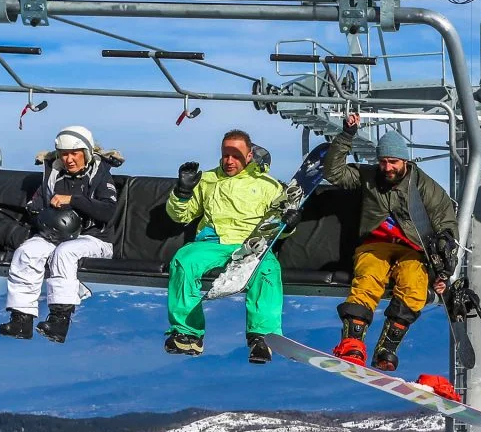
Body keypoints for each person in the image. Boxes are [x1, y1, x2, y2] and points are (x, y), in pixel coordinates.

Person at [323, 113, 458, 371]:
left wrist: (444, 267)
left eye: (393, 162)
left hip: (412, 248)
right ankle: (352, 343)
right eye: (383, 162)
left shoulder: (425, 187)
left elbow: (446, 223)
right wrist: (347, 136)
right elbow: (334, 172)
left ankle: (387, 348)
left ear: (405, 160)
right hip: (376, 243)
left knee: (414, 285)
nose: (387, 168)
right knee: (368, 278)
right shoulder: (369, 177)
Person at [163, 129, 296, 364]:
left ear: (249, 156)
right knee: (184, 260)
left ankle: (262, 337)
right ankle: (188, 333)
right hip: (213, 243)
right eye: (226, 155)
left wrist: (289, 224)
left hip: (251, 245)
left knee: (267, 268)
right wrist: (182, 193)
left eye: (236, 156)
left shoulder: (268, 185)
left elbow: (277, 225)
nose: (229, 161)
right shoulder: (207, 180)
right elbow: (180, 216)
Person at [0, 125, 119, 343]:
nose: (69, 159)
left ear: (86, 153)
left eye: (74, 154)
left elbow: (108, 212)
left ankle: (59, 320)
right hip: (54, 235)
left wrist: (73, 200)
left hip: (94, 238)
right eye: (64, 154)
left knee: (64, 253)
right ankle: (21, 318)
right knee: (26, 252)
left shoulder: (100, 176)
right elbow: (35, 205)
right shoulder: (53, 176)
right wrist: (41, 214)